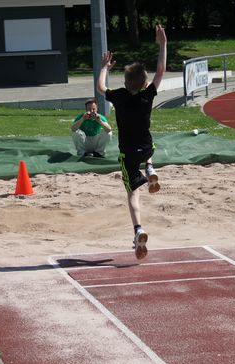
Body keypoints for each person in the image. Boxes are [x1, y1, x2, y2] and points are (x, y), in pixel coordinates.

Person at [97, 24, 166, 260]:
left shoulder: (119, 96)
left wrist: (104, 67)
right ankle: (150, 167)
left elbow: (100, 87)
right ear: (144, 84)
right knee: (150, 148)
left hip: (128, 153)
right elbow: (161, 70)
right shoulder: (148, 95)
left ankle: (138, 230)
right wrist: (163, 44)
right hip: (146, 147)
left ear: (126, 83)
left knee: (132, 193)